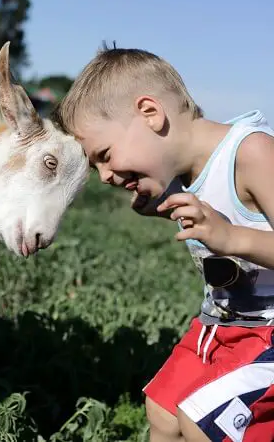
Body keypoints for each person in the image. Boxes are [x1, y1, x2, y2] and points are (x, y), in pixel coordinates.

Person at [53, 44, 274, 441]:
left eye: (104, 155)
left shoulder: (252, 153)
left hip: (270, 333)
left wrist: (232, 237)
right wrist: (153, 205)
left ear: (151, 114)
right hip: (221, 325)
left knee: (203, 422)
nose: (103, 176)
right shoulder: (185, 176)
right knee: (163, 411)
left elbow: (230, 228)